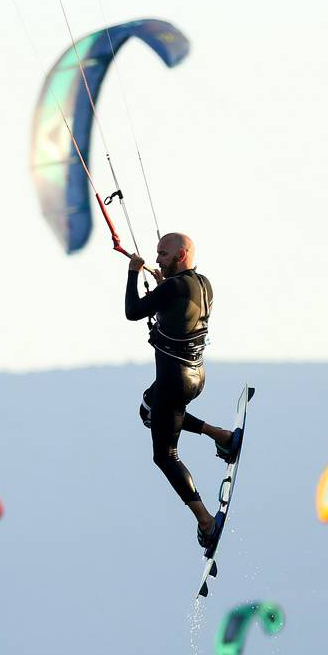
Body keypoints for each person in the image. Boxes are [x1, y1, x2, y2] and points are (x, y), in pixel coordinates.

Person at [126, 233, 238, 550]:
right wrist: (163, 284)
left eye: (163, 253)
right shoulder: (202, 284)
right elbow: (179, 309)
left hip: (174, 380)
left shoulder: (173, 288)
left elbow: (132, 311)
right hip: (194, 375)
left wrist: (133, 272)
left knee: (165, 455)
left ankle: (205, 521)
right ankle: (222, 437)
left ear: (182, 253)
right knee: (148, 410)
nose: (157, 258)